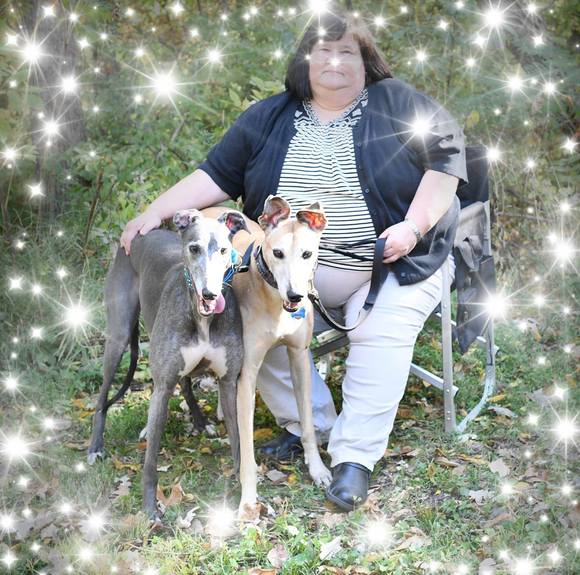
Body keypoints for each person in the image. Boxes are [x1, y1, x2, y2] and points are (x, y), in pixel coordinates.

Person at [121, 10, 467, 512]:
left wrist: (413, 227)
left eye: (347, 51)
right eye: (323, 51)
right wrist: (153, 213)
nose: (334, 62)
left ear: (367, 61)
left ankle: (354, 458)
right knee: (244, 320)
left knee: (378, 329)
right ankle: (313, 424)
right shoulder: (269, 116)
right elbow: (213, 176)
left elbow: (447, 162)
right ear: (304, 60)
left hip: (392, 262)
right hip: (284, 269)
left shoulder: (400, 104)